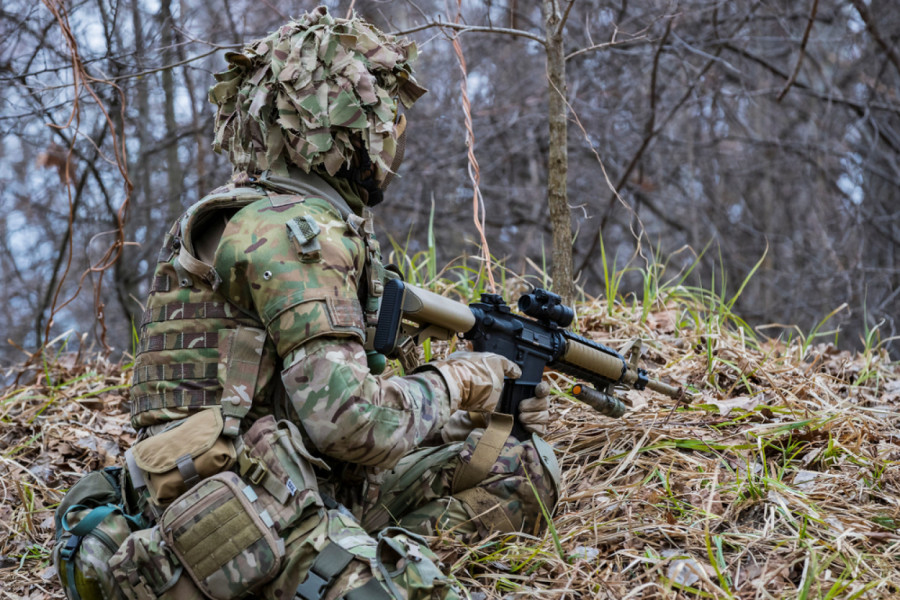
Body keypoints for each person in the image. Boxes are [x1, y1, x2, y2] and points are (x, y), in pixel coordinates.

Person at [106, 8, 560, 599]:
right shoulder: (294, 235)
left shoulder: (270, 214)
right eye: (388, 116)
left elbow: (302, 410)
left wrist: (464, 415)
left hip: (288, 477)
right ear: (347, 125)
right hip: (237, 514)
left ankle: (371, 555)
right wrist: (461, 380)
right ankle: (364, 570)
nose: (396, 135)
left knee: (522, 471)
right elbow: (354, 426)